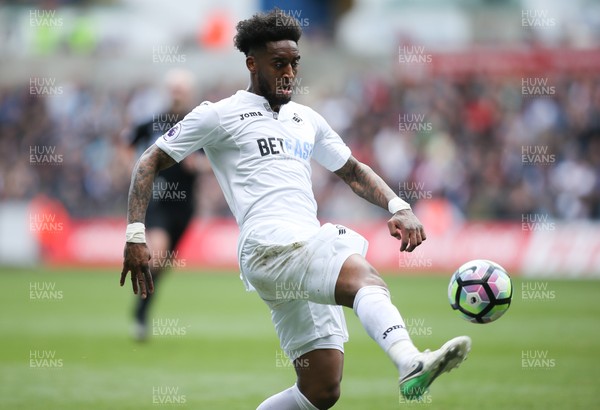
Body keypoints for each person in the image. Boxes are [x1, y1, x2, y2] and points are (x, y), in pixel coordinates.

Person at [120, 9, 470, 409]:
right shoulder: (219, 114)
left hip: (300, 248)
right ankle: (411, 361)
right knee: (363, 277)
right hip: (269, 245)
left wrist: (398, 205)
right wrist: (135, 234)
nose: (289, 72)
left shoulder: (306, 119)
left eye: (294, 63)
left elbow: (352, 171)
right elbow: (148, 160)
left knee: (321, 389)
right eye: (279, 63)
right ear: (252, 64)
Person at [125, 69, 206, 341]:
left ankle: (142, 310)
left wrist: (200, 165)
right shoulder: (154, 122)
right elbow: (128, 144)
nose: (176, 95)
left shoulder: (200, 123)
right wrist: (132, 170)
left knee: (162, 263)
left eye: (181, 90)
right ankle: (140, 313)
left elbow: (215, 162)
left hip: (186, 207)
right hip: (157, 199)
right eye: (173, 89)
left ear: (189, 93)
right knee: (157, 254)